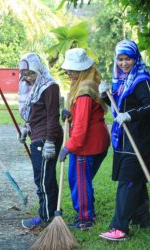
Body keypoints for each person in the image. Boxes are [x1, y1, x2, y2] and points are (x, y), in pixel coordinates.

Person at [98, 40, 150, 241]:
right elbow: (117, 108)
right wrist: (105, 96)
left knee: (128, 180)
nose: (124, 63)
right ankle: (142, 218)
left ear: (135, 58)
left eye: (128, 59)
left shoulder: (142, 80)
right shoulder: (122, 80)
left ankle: (119, 227)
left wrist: (130, 115)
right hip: (125, 136)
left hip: (140, 137)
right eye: (120, 59)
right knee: (136, 178)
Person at [59, 48, 110, 229]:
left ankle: (85, 218)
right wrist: (69, 115)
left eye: (71, 70)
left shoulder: (84, 90)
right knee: (82, 179)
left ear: (81, 70)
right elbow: (85, 115)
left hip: (87, 144)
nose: (68, 73)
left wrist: (68, 147)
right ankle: (88, 212)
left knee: (78, 180)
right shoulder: (90, 82)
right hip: (97, 141)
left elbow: (81, 127)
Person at [18, 53, 63, 229]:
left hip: (46, 138)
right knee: (47, 178)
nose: (27, 78)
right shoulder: (32, 88)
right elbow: (34, 114)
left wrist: (50, 142)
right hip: (36, 135)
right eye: (24, 74)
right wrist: (26, 127)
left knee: (43, 180)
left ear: (38, 69)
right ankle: (52, 214)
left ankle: (45, 217)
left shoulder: (49, 87)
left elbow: (52, 116)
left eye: (30, 73)